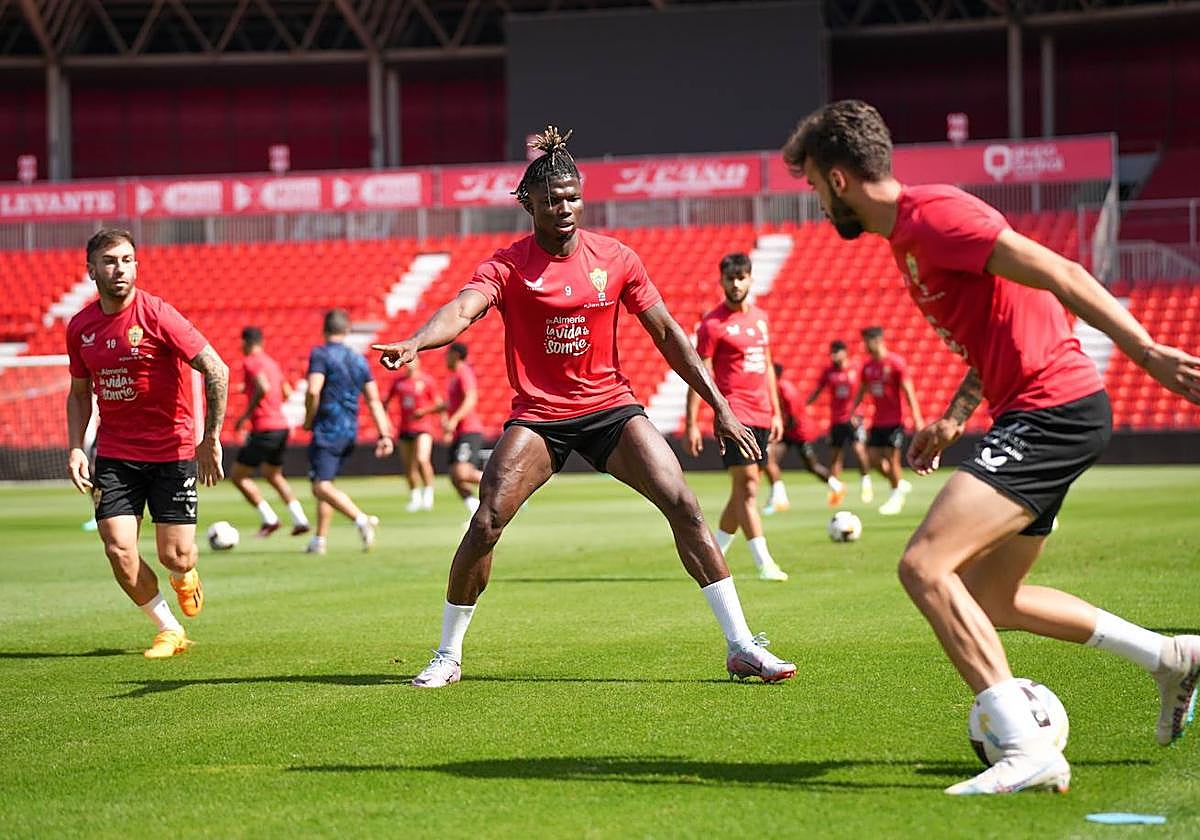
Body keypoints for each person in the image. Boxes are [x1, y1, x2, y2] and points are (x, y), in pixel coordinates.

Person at [783, 99, 1200, 795]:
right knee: (992, 597)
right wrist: (953, 417)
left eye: (814, 190)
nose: (819, 207)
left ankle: (1024, 744)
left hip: (1052, 410)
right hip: (1034, 410)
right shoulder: (908, 241)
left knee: (923, 566)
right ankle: (1170, 656)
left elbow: (1058, 271)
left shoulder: (934, 216)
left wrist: (1147, 350)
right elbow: (998, 327)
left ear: (838, 179)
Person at [373, 126, 795, 688]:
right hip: (541, 417)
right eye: (551, 199)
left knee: (685, 505)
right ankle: (448, 656)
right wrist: (415, 341)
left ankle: (742, 645)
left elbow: (668, 333)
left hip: (612, 410)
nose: (564, 207)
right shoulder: (507, 265)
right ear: (529, 204)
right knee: (488, 519)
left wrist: (719, 405)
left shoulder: (617, 258)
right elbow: (462, 309)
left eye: (571, 196)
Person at [65, 228, 228, 659]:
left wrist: (210, 438)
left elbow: (217, 369)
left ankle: (184, 573)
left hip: (172, 451)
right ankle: (169, 629)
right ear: (92, 270)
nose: (119, 269)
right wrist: (77, 447)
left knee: (175, 556)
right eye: (110, 261)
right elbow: (80, 393)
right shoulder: (80, 327)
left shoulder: (157, 314)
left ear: (137, 265)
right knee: (118, 548)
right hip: (116, 454)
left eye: (126, 260)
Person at [685, 252, 788, 582]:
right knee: (749, 490)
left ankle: (715, 550)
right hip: (734, 416)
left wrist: (775, 411)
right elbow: (698, 373)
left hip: (760, 414)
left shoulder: (760, 318)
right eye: (730, 278)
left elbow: (768, 365)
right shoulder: (713, 324)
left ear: (750, 279)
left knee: (743, 490)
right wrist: (691, 422)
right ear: (723, 282)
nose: (736, 284)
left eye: (741, 277)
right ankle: (764, 562)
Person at [303, 309, 393, 555]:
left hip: (327, 428)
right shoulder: (358, 359)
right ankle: (319, 540)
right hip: (349, 430)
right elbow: (373, 400)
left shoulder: (320, 354)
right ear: (347, 330)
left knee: (320, 486)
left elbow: (313, 390)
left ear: (324, 329)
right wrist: (384, 434)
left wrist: (308, 418)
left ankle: (361, 519)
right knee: (326, 482)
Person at [230, 326, 310, 537]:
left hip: (264, 428)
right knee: (273, 474)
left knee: (238, 476)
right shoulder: (272, 363)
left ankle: (269, 518)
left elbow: (263, 387)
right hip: (281, 426)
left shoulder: (251, 362)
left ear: (245, 343)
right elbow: (286, 392)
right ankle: (300, 519)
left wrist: (246, 416)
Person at [850, 326, 925, 516]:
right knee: (873, 459)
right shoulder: (868, 367)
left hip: (894, 421)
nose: (864, 345)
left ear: (877, 341)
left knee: (892, 460)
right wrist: (854, 409)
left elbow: (908, 391)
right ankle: (898, 484)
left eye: (866, 341)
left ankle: (895, 497)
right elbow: (862, 390)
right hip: (877, 421)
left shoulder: (895, 363)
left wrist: (917, 418)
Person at [763, 362, 845, 513]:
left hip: (801, 433)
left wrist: (778, 428)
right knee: (769, 460)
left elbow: (794, 418)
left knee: (811, 466)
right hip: (788, 432)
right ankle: (779, 498)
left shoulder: (787, 391)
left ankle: (837, 486)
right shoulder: (774, 389)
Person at [806, 340, 873, 503]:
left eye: (836, 352)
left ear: (845, 352)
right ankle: (836, 491)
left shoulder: (856, 368)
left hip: (854, 418)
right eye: (832, 353)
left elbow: (866, 387)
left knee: (859, 450)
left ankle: (866, 482)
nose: (834, 356)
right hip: (836, 419)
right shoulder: (829, 372)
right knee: (835, 456)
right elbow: (818, 389)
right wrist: (805, 405)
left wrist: (859, 411)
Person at [424, 342, 484, 519]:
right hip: (459, 432)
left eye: (447, 355)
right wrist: (426, 412)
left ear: (455, 356)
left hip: (469, 429)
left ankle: (504, 484)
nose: (445, 358)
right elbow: (450, 404)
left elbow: (471, 399)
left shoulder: (464, 372)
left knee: (462, 472)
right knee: (454, 476)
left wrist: (455, 419)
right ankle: (475, 508)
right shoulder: (455, 377)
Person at [384, 355, 439, 512]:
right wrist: (386, 422)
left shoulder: (427, 381)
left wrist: (425, 411)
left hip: (423, 427)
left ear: (419, 362)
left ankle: (428, 495)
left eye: (412, 361)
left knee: (422, 459)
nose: (409, 365)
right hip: (405, 428)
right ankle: (415, 497)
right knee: (409, 466)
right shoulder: (399, 383)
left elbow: (438, 404)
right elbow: (386, 403)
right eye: (407, 362)